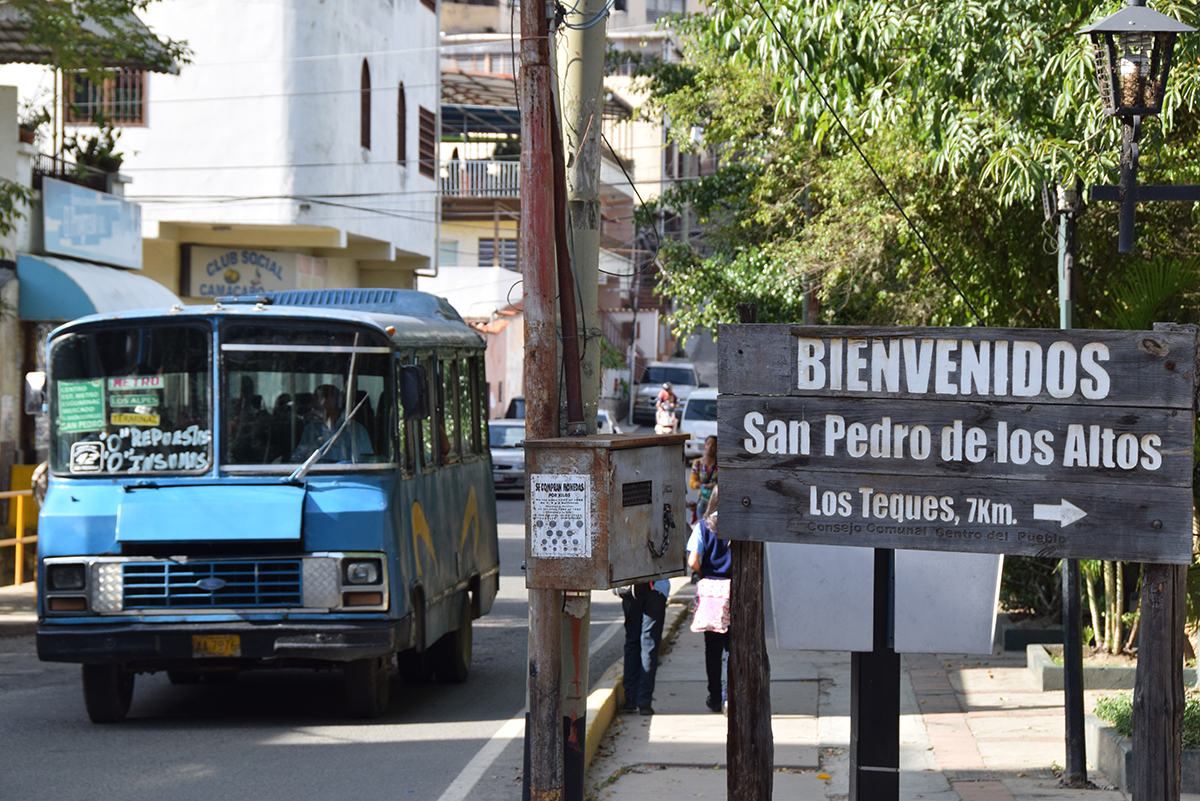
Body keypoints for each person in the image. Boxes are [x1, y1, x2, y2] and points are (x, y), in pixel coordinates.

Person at [687, 486, 730, 714]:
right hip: (734, 590)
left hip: (711, 591)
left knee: (712, 649)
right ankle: (730, 696)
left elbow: (692, 561)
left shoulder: (703, 526)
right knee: (732, 648)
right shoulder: (738, 525)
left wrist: (705, 572)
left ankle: (715, 696)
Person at [619, 578, 670, 716]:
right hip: (656, 589)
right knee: (649, 645)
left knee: (632, 642)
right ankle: (644, 702)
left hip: (631, 587)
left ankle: (630, 699)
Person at [290, 383, 374, 463]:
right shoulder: (310, 429)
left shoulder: (356, 430)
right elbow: (298, 460)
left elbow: (366, 463)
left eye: (318, 398)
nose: (313, 405)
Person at [689, 435, 718, 518]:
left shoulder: (720, 465)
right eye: (708, 444)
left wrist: (714, 487)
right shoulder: (697, 463)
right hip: (703, 501)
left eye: (713, 445)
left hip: (716, 503)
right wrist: (703, 486)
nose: (710, 447)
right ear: (705, 446)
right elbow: (692, 483)